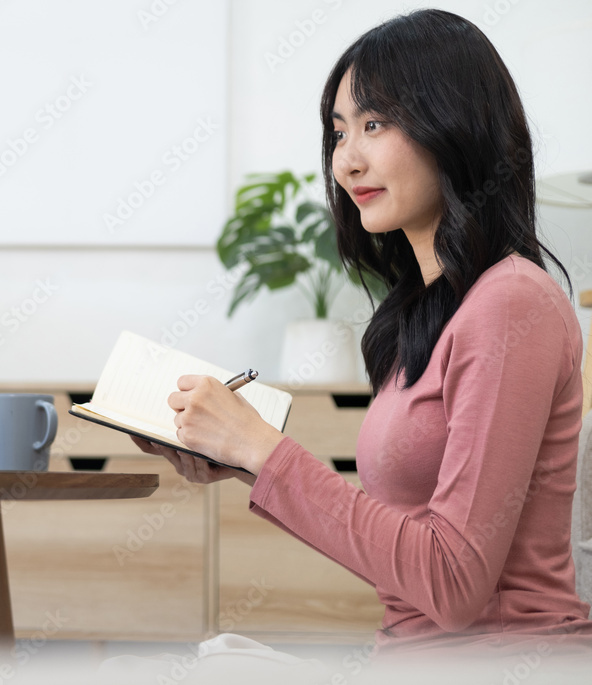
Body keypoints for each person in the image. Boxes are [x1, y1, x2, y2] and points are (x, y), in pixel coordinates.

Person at [132, 7, 592, 660]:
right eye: (338, 132)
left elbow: (454, 581)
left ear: (454, 123)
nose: (347, 162)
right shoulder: (427, 313)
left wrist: (265, 450)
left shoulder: (513, 301)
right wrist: (244, 459)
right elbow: (403, 550)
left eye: (374, 124)